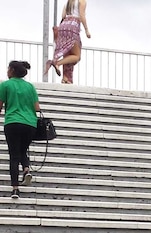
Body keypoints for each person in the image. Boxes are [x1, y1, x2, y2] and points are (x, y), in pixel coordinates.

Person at [0, 61, 41, 200]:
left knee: (14, 155)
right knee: (22, 150)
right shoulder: (30, 87)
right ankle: (26, 169)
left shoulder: (5, 85)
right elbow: (37, 108)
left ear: (12, 70)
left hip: (12, 122)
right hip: (30, 124)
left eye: (8, 69)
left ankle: (15, 189)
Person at [45, 0, 91, 85]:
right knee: (76, 56)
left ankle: (66, 78)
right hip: (73, 27)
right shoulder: (82, 1)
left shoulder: (68, 2)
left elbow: (63, 15)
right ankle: (57, 63)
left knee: (68, 54)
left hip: (63, 26)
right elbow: (82, 16)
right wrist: (87, 30)